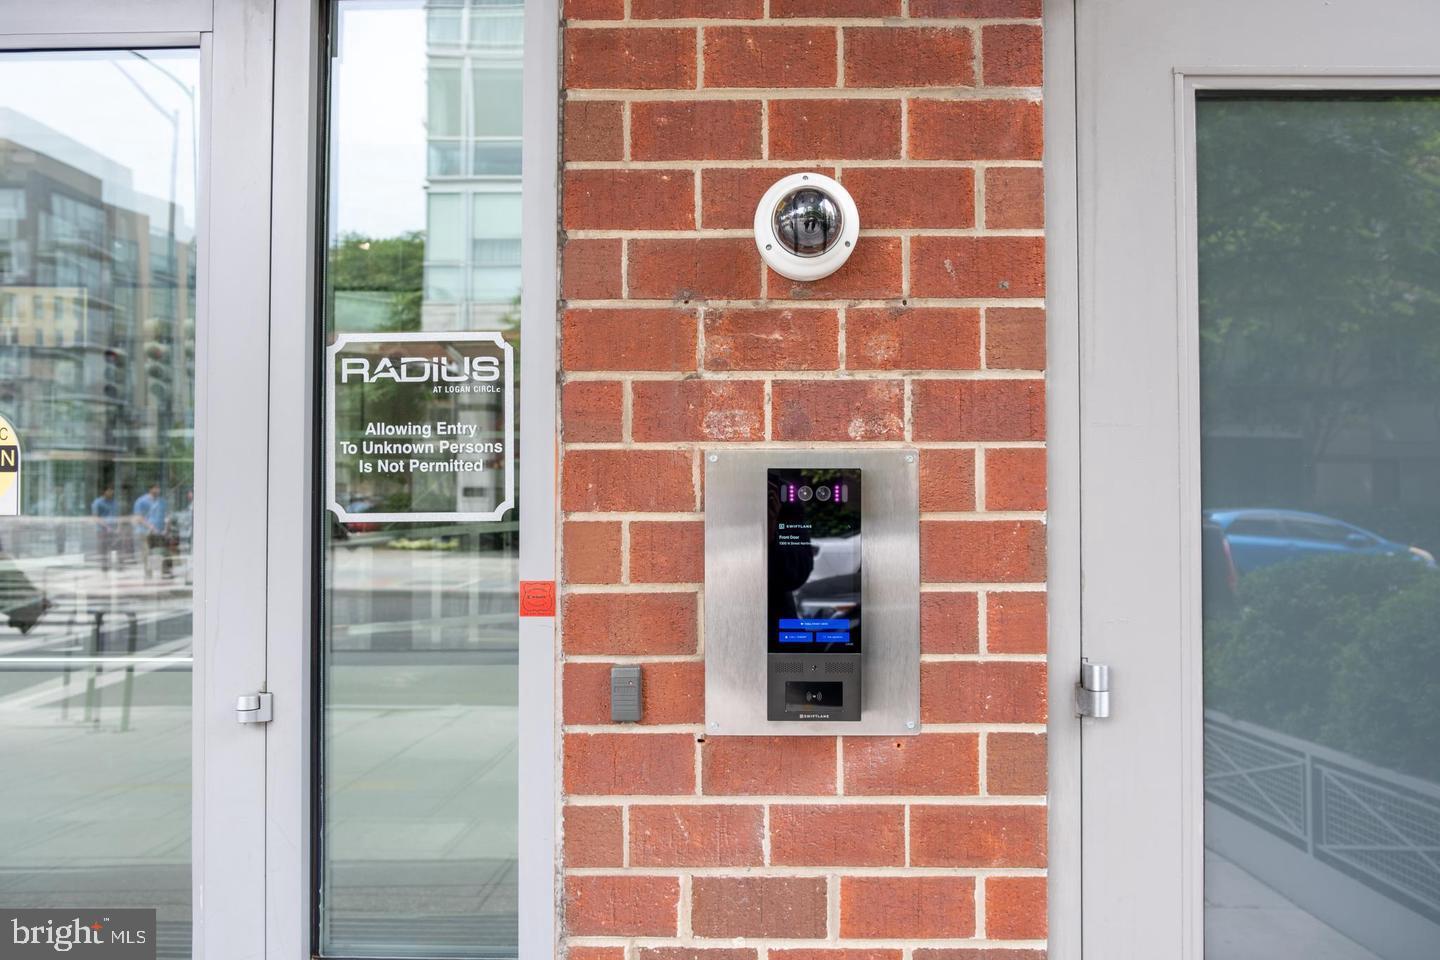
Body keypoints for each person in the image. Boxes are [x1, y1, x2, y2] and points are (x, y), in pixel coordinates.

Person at [133, 483, 170, 578]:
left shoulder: (162, 501)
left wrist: (166, 528)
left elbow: (166, 515)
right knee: (146, 553)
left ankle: (164, 573)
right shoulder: (141, 501)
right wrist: (151, 527)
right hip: (144, 532)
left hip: (159, 532)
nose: (158, 490)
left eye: (159, 488)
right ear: (150, 489)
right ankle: (148, 574)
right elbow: (139, 517)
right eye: (156, 488)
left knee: (161, 552)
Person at [90, 486, 117, 571]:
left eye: (112, 490)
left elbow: (116, 515)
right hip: (102, 529)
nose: (111, 492)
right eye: (109, 490)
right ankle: (103, 566)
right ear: (104, 491)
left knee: (110, 547)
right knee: (102, 548)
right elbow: (95, 517)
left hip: (113, 529)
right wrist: (106, 526)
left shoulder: (114, 502)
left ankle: (108, 564)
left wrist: (117, 527)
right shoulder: (98, 502)